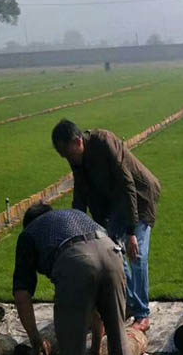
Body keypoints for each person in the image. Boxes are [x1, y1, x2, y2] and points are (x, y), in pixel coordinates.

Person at [12, 203, 141, 355]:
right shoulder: (76, 217)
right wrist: (96, 351)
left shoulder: (29, 235)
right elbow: (95, 304)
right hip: (112, 253)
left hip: (74, 262)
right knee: (119, 340)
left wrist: (36, 340)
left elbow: (22, 296)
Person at [51, 119, 161, 332]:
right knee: (114, 253)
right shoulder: (76, 160)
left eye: (69, 154)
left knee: (135, 255)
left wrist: (131, 232)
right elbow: (80, 196)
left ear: (77, 141)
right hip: (114, 206)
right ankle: (129, 302)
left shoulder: (104, 142)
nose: (69, 160)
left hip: (138, 197)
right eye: (64, 157)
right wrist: (75, 232)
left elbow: (127, 184)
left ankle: (142, 314)